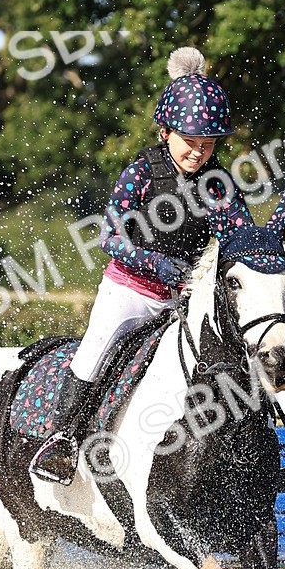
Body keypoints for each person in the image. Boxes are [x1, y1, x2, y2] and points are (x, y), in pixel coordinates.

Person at [30, 46, 255, 485]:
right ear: (165, 131)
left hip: (183, 301)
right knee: (95, 352)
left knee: (239, 352)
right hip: (130, 292)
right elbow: (109, 236)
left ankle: (255, 451)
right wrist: (153, 261)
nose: (199, 152)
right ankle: (63, 442)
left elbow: (239, 236)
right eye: (191, 142)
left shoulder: (219, 183)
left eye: (208, 144)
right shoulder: (142, 173)